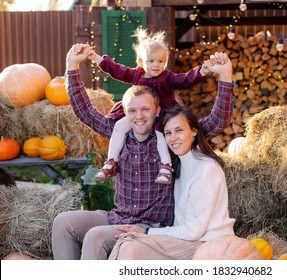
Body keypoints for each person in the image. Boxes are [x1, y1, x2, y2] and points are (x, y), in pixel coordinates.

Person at [51, 43, 234, 260]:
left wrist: (225, 76)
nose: (139, 116)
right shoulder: (119, 135)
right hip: (118, 217)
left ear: (157, 111)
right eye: (133, 111)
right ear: (125, 112)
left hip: (151, 225)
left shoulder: (170, 139)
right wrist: (72, 66)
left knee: (95, 236)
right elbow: (85, 112)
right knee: (62, 222)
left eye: (146, 109)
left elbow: (216, 121)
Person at [108, 104, 235, 260]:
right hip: (185, 239)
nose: (173, 138)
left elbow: (194, 231)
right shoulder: (179, 165)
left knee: (130, 245)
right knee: (127, 241)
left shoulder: (205, 169)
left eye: (179, 130)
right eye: (168, 133)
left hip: (208, 243)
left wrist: (147, 232)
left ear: (194, 131)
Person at [89, 27, 211, 184]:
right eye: (151, 61)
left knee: (161, 134)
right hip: (141, 113)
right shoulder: (136, 74)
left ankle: (165, 168)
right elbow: (117, 70)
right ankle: (111, 162)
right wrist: (97, 58)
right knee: (119, 126)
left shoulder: (168, 77)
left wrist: (202, 71)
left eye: (161, 61)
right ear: (141, 62)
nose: (156, 65)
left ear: (165, 62)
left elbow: (185, 80)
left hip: (163, 114)